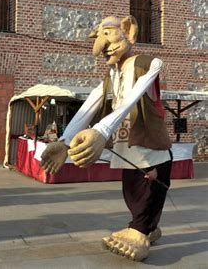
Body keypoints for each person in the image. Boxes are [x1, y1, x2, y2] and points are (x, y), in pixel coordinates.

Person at [40, 16, 172, 262]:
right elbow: (90, 105)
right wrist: (65, 140)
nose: (102, 45)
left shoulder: (148, 63)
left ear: (128, 31)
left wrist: (101, 130)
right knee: (132, 192)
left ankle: (141, 231)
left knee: (148, 190)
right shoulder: (112, 75)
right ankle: (148, 228)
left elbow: (132, 98)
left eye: (109, 33)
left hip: (150, 147)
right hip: (127, 145)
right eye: (100, 36)